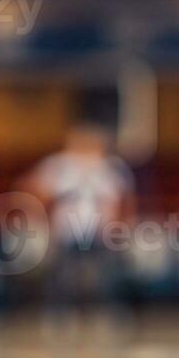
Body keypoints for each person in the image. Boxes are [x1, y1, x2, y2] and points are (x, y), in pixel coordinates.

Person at [22, 123, 135, 315]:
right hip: (66, 231)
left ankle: (106, 313)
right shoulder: (58, 165)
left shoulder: (110, 167)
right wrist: (42, 220)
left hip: (99, 232)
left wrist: (120, 226)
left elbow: (124, 199)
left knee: (105, 276)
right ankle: (59, 315)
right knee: (61, 277)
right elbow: (33, 191)